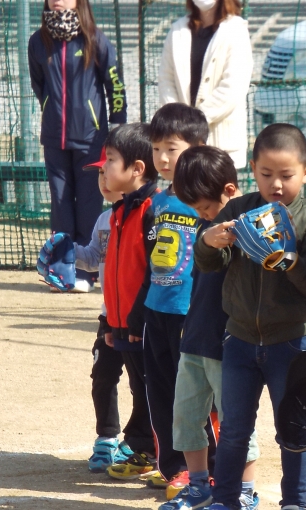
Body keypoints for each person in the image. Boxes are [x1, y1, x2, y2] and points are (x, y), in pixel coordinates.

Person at [193, 124, 306, 510]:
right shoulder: (238, 210)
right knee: (235, 430)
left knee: (294, 429)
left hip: (292, 343)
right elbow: (210, 263)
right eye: (266, 174)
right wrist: (208, 241)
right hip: (239, 341)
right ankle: (224, 500)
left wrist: (288, 259)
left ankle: (295, 502)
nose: (276, 183)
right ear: (253, 169)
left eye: (286, 175)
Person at [108, 103, 218, 494]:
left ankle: (208, 469)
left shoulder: (209, 201)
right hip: (157, 312)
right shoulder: (156, 202)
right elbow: (152, 264)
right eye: (157, 149)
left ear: (198, 147)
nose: (163, 158)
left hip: (192, 314)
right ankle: (174, 467)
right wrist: (139, 313)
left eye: (172, 148)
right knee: (160, 393)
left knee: (198, 396)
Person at [160, 145, 260, 510]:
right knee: (187, 418)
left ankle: (246, 491)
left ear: (230, 191)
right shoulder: (207, 228)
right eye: (197, 210)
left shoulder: (250, 229)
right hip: (195, 339)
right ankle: (199, 486)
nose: (202, 215)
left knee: (236, 422)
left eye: (205, 208)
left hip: (229, 343)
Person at [28, 0, 127, 292]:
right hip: (53, 139)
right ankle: (62, 271)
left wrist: (117, 123)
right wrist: (52, 110)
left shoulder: (95, 38)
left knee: (88, 204)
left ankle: (86, 272)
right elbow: (38, 84)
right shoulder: (38, 41)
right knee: (60, 204)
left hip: (92, 138)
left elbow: (114, 83)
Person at [98, 123, 160, 478]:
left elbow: (153, 272)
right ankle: (144, 448)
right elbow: (115, 274)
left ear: (137, 168)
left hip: (144, 322)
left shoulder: (153, 209)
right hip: (122, 322)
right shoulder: (119, 211)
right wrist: (111, 321)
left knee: (155, 389)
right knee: (140, 387)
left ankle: (172, 459)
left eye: (111, 160)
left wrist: (139, 318)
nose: (104, 167)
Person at [74, 148, 133, 473]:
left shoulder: (146, 214)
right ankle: (107, 437)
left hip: (138, 317)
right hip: (109, 315)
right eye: (99, 172)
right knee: (103, 376)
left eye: (108, 169)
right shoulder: (103, 219)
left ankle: (141, 441)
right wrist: (68, 251)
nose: (103, 178)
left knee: (143, 383)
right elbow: (92, 258)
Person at [158, 0, 252, 170]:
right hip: (182, 144)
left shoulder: (236, 29)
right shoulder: (177, 30)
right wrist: (178, 121)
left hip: (223, 145)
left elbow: (233, 87)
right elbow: (166, 79)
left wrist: (195, 121)